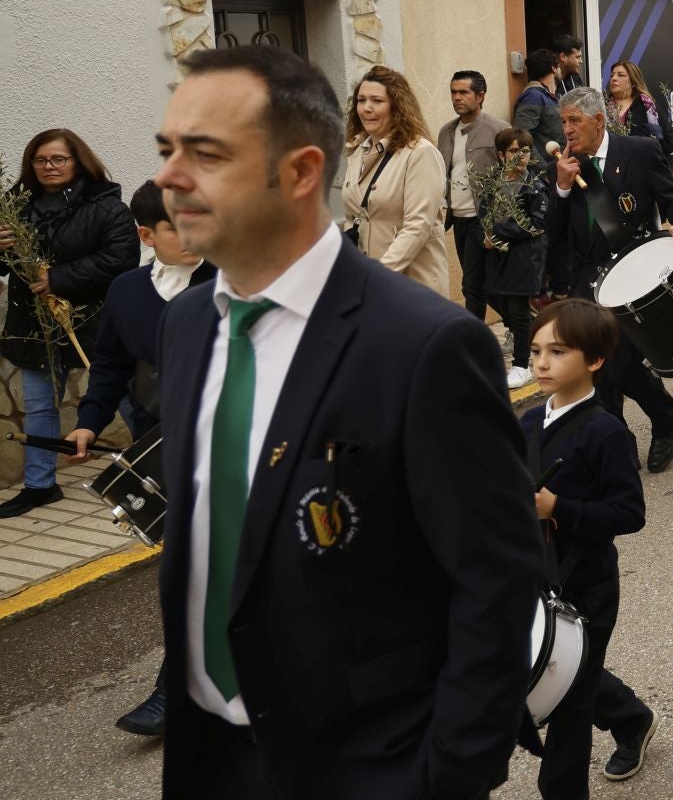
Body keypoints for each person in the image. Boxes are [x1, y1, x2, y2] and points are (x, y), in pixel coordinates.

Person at [150, 44, 542, 798]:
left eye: (205, 154)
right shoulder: (189, 324)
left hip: (367, 768)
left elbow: (497, 584)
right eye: (167, 150)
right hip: (212, 760)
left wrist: (444, 776)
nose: (169, 177)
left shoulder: (425, 347)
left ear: (300, 172)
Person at [63, 181, 213, 734]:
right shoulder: (127, 292)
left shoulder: (237, 280)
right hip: (162, 448)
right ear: (146, 234)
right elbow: (109, 364)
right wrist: (87, 423)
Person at [518, 299, 658, 794]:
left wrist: (559, 508)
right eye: (535, 351)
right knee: (566, 670)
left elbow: (629, 513)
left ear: (595, 360)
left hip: (589, 583)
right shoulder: (528, 424)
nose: (540, 363)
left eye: (557, 352)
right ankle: (632, 716)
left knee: (568, 706)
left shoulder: (606, 432)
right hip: (534, 576)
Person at [548, 87, 673, 473]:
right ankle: (620, 443)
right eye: (563, 121)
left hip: (634, 270)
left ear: (598, 121)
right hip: (587, 279)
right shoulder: (564, 164)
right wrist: (562, 188)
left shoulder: (640, 151)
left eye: (574, 121)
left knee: (621, 363)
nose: (566, 129)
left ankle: (665, 419)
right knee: (597, 366)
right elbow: (552, 231)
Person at [0, 129, 139, 518]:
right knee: (40, 406)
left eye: (58, 159)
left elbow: (122, 257)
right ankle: (40, 485)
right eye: (41, 160)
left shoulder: (106, 204)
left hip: (96, 321)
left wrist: (58, 279)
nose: (49, 167)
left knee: (128, 398)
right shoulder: (16, 206)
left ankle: (155, 469)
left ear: (78, 161)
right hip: (35, 324)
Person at [341, 65, 449, 294]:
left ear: (397, 107)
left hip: (412, 285)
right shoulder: (357, 151)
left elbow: (417, 226)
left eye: (376, 101)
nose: (366, 108)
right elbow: (353, 218)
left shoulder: (420, 153)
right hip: (368, 283)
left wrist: (379, 276)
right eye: (361, 100)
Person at [437, 70, 510, 321]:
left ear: (480, 96)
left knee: (474, 286)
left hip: (486, 218)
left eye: (463, 92)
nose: (457, 98)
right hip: (458, 219)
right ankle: (519, 326)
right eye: (453, 92)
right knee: (479, 285)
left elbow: (515, 174)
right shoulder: (446, 132)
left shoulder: (499, 129)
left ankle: (480, 337)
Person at [482, 128, 548, 390]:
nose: (520, 156)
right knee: (493, 297)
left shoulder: (535, 186)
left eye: (525, 151)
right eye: (513, 150)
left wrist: (497, 232)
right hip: (498, 255)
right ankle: (538, 333)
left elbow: (535, 224)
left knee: (518, 309)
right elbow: (485, 213)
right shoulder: (494, 183)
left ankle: (522, 365)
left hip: (524, 256)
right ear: (501, 155)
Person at [607, 60, 673, 151]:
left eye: (620, 75)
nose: (614, 78)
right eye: (612, 75)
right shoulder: (602, 108)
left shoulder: (648, 107)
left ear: (633, 82)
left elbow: (669, 143)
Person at [516, 47, 568, 167]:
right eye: (558, 67)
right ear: (554, 68)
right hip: (546, 173)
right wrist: (544, 171)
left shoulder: (553, 97)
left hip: (560, 167)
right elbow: (521, 138)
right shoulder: (533, 96)